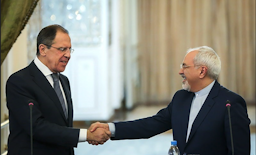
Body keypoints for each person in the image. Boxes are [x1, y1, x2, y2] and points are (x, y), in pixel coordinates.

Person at [89, 46, 251, 155]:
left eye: (185, 67)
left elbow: (240, 151)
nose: (180, 71)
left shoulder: (230, 103)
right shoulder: (181, 98)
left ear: (202, 71)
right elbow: (151, 125)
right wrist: (110, 128)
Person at [6, 24, 110, 155]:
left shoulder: (63, 81)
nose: (68, 55)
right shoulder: (19, 81)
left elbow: (63, 125)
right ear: (43, 49)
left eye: (69, 50)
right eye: (62, 49)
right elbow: (37, 127)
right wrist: (86, 135)